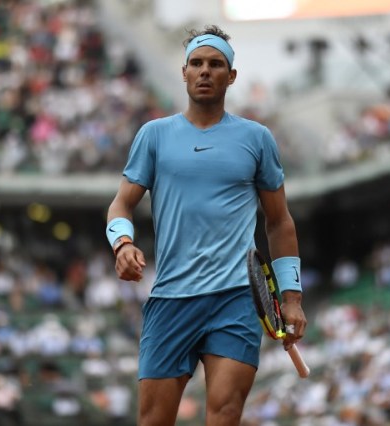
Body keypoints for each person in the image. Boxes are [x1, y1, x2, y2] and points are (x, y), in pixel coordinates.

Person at [105, 24, 307, 426]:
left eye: (215, 64)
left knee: (225, 413)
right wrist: (123, 244)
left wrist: (293, 297)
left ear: (231, 76)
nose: (204, 71)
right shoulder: (154, 136)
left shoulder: (256, 138)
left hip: (236, 299)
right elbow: (120, 205)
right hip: (171, 299)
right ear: (183, 72)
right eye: (196, 63)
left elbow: (279, 221)